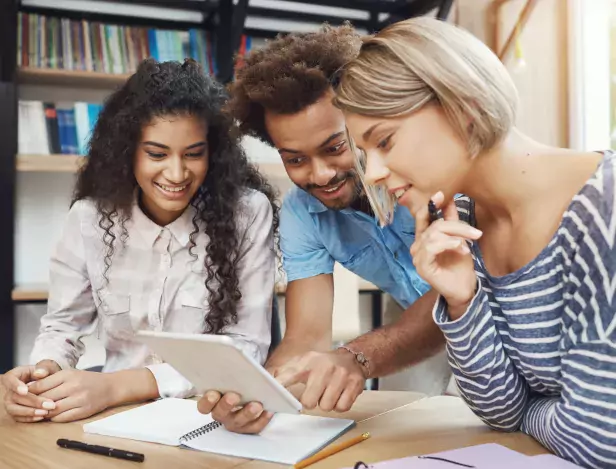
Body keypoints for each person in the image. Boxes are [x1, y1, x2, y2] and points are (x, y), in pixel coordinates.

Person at [334, 17, 616, 469]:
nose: (373, 175)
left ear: (461, 105)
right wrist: (462, 300)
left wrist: (530, 410)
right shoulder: (463, 223)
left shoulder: (603, 210)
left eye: (384, 141)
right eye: (367, 156)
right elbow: (499, 412)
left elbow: (599, 438)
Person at [197, 24, 449, 435]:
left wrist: (356, 356)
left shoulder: (424, 173)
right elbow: (307, 338)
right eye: (294, 159)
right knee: (405, 432)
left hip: (485, 305)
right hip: (408, 312)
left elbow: (454, 296)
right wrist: (257, 394)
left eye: (335, 148)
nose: (320, 175)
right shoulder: (301, 215)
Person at [2, 59, 278, 424]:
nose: (177, 174)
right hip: (112, 415)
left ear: (213, 153)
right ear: (126, 150)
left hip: (209, 417)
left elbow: (247, 347)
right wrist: (41, 377)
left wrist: (116, 387)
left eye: (194, 154)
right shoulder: (88, 218)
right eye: (157, 154)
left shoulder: (248, 214)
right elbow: (63, 326)